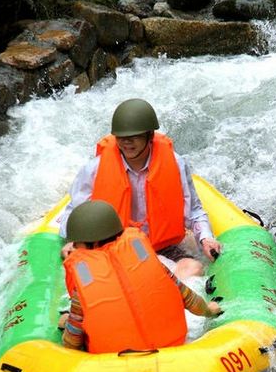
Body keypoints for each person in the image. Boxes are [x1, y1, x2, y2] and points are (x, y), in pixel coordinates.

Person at [59, 98, 222, 278]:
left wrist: (206, 238)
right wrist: (76, 241)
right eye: (121, 137)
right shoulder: (94, 169)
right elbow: (73, 213)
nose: (126, 143)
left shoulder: (175, 163)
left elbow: (194, 211)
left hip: (163, 245)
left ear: (150, 135)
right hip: (113, 248)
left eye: (133, 137)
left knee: (194, 269)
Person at [60, 200, 222, 353]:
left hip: (115, 362)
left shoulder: (84, 286)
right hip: (171, 349)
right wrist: (208, 310)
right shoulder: (150, 263)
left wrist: (66, 336)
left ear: (92, 245)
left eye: (76, 243)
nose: (74, 247)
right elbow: (187, 297)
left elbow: (72, 341)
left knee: (71, 321)